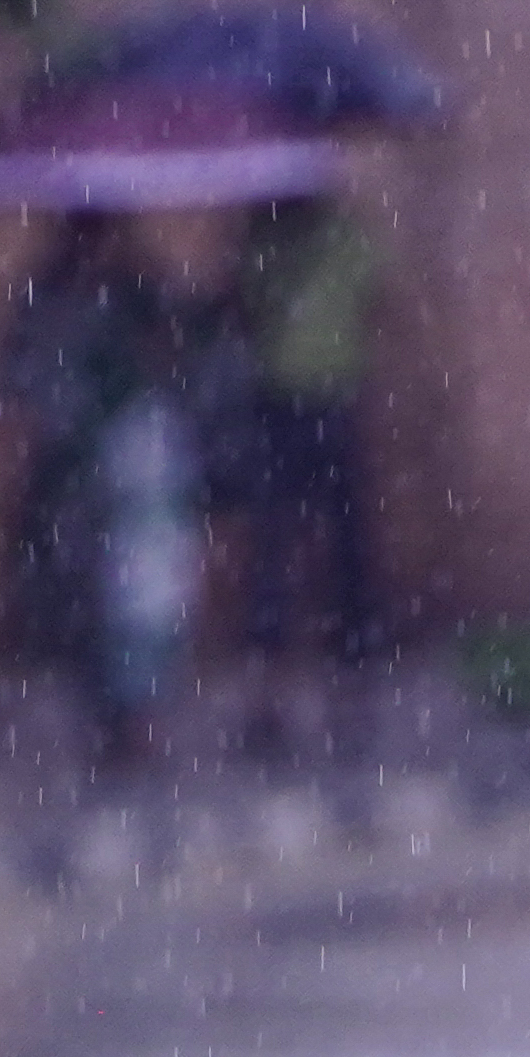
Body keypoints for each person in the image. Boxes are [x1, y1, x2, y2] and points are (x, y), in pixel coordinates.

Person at [0, 212, 192, 771]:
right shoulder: (46, 298)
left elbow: (172, 364)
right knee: (73, 599)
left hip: (132, 478)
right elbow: (12, 380)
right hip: (69, 476)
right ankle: (103, 718)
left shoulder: (138, 296)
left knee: (136, 602)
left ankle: (134, 722)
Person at [205, 184, 391, 761]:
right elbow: (373, 296)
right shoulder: (306, 238)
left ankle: (324, 696)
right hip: (298, 405)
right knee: (294, 557)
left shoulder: (292, 238)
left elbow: (248, 306)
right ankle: (296, 698)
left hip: (307, 404)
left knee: (309, 555)